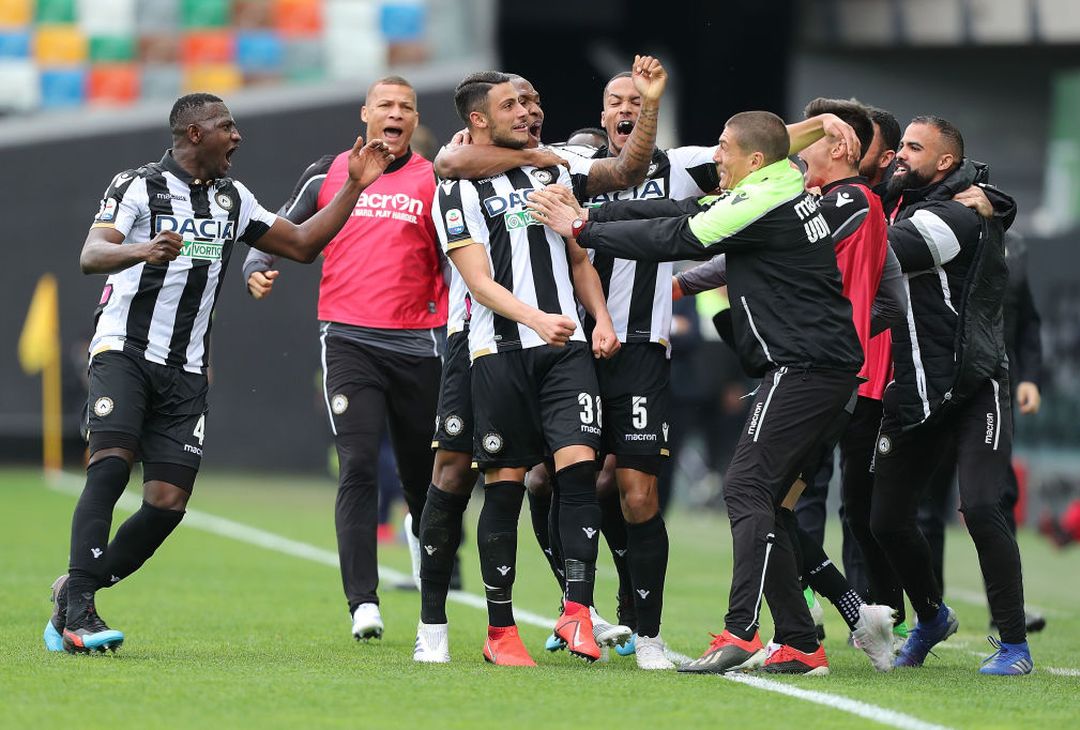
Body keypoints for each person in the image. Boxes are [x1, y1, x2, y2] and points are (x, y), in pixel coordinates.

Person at [44, 93, 394, 654]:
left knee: (167, 503)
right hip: (124, 352)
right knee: (110, 470)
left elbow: (301, 245)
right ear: (194, 132)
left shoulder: (233, 198)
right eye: (226, 126)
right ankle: (80, 615)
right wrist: (143, 249)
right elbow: (91, 254)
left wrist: (353, 185)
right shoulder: (137, 186)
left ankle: (74, 591)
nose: (238, 136)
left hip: (185, 371)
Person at [529, 110, 865, 676]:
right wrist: (593, 214)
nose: (716, 157)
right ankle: (800, 642)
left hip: (805, 370)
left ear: (754, 160)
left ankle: (741, 630)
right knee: (770, 504)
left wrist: (584, 229)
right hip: (818, 370)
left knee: (744, 489)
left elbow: (680, 234)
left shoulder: (762, 200)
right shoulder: (777, 182)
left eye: (725, 148)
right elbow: (679, 208)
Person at [416, 61, 664, 664]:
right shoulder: (456, 179)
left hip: (564, 345)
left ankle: (577, 612)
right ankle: (450, 625)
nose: (529, 112)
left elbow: (611, 196)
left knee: (575, 471)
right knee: (463, 479)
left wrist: (598, 319)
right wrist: (532, 318)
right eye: (513, 105)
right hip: (488, 346)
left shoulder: (557, 167)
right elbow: (475, 277)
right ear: (478, 121)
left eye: (532, 100)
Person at [242, 76, 446, 643]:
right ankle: (363, 601)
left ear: (413, 120)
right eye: (386, 104)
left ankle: (425, 560)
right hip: (348, 340)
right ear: (365, 114)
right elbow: (278, 229)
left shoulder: (437, 180)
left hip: (419, 344)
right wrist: (253, 266)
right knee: (356, 464)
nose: (396, 113)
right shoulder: (328, 173)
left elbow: (460, 259)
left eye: (406, 106)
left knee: (422, 479)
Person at [868, 116, 1032, 675]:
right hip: (915, 388)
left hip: (973, 384)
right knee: (885, 519)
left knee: (983, 507)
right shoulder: (904, 198)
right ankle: (932, 616)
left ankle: (1014, 645)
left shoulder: (957, 214)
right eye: (900, 146)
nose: (899, 156)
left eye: (914, 148)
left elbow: (884, 250)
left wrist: (812, 223)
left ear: (944, 163)